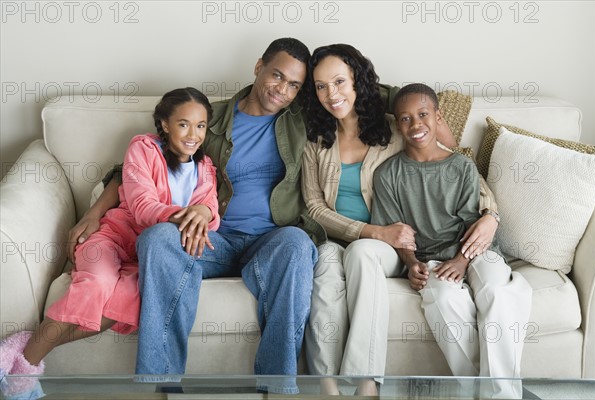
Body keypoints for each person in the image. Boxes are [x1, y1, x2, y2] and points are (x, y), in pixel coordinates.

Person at [64, 38, 324, 395]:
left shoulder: (300, 121)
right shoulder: (207, 118)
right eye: (277, 75)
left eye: (294, 85)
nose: (282, 89)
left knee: (297, 244)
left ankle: (277, 387)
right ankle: (165, 384)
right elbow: (130, 168)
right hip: (206, 239)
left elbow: (360, 89)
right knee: (157, 237)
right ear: (258, 65)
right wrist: (94, 214)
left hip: (270, 240)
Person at [301, 44, 502, 396]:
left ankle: (366, 385)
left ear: (357, 82)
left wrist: (491, 215)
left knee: (364, 252)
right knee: (328, 280)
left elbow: (453, 163)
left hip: (394, 246)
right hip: (346, 239)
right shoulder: (316, 142)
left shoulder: (396, 127)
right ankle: (329, 390)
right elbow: (315, 208)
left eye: (339, 81)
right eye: (320, 86)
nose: (331, 94)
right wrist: (372, 230)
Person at [0, 87, 220, 399]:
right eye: (183, 124)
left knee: (125, 306)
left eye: (200, 126)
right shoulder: (143, 149)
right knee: (95, 286)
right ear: (165, 124)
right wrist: (192, 213)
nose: (193, 134)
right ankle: (21, 379)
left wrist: (205, 211)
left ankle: (22, 345)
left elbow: (210, 218)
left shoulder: (205, 168)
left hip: (144, 259)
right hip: (111, 238)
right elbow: (143, 209)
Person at [371, 83, 532, 399]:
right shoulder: (388, 174)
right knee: (444, 300)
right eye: (405, 118)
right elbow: (398, 233)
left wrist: (461, 261)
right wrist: (411, 263)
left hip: (476, 252)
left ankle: (501, 395)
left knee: (498, 293)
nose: (415, 125)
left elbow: (472, 222)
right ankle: (482, 392)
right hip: (431, 258)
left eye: (422, 114)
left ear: (437, 116)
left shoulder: (460, 166)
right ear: (396, 124)